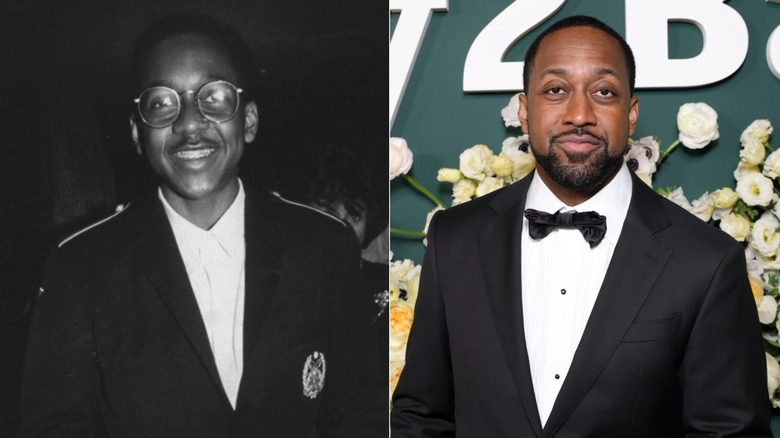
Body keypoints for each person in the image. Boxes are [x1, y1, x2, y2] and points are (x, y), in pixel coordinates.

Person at [391, 15, 771, 437]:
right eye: (556, 90)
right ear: (524, 110)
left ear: (631, 114)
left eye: (603, 92)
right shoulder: (454, 237)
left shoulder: (706, 261)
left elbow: (729, 432)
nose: (579, 114)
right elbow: (421, 416)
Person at [17, 15, 385, 437]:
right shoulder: (80, 266)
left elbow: (362, 409)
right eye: (161, 103)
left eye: (215, 97)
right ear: (137, 133)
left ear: (248, 121)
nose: (190, 125)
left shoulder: (323, 244)